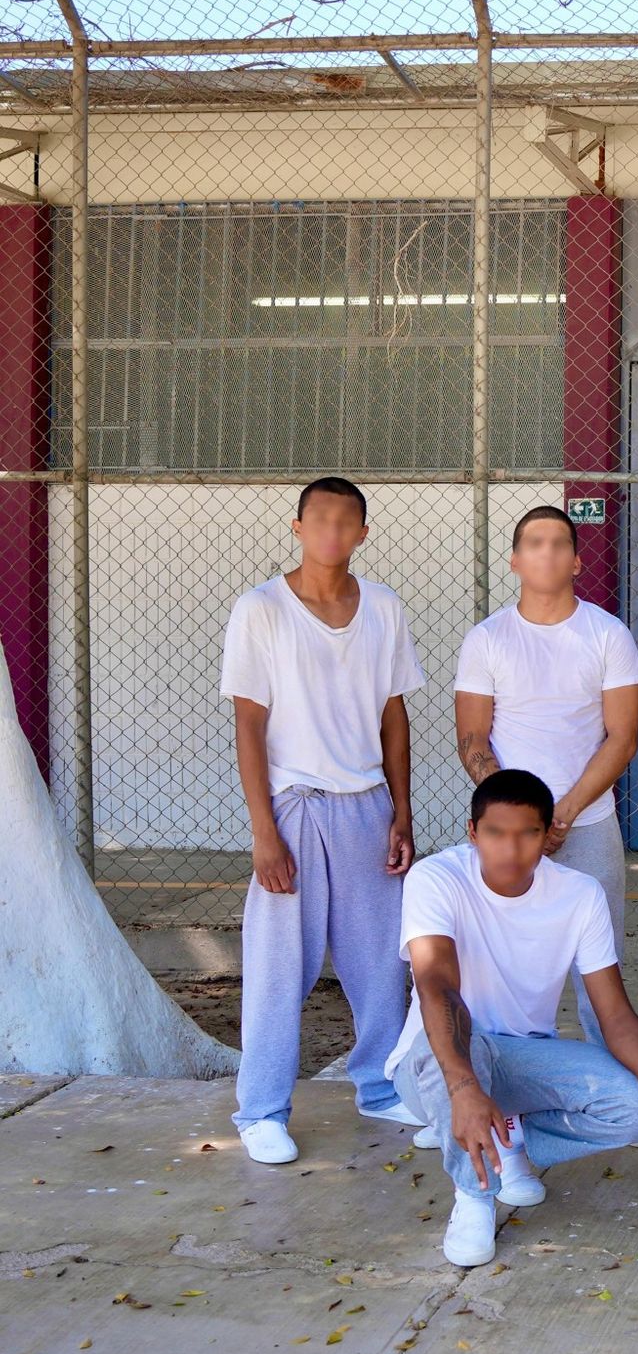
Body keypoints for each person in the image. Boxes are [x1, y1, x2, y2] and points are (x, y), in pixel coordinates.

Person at [391, 769, 638, 1268]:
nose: (511, 849)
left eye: (528, 833)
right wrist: (464, 1090)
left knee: (633, 1109)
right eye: (495, 833)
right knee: (464, 1050)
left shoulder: (579, 894)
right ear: (472, 832)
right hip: (438, 1060)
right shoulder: (436, 878)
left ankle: (514, 1142)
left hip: (522, 1059)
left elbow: (613, 1012)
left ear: (549, 833)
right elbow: (437, 985)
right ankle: (475, 1196)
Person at [220, 476, 425, 1165]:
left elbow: (394, 714)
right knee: (280, 967)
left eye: (347, 520)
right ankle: (263, 1108)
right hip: (294, 806)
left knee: (379, 962)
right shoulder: (261, 609)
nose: (333, 530)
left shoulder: (385, 607)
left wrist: (402, 810)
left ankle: (379, 1083)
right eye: (320, 518)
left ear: (363, 532)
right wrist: (263, 829)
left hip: (368, 802)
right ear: (298, 525)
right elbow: (250, 723)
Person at [455, 505, 638, 1047]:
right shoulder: (487, 639)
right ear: (514, 560)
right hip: (508, 832)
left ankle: (615, 1088)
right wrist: (521, 821)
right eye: (533, 543)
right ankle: (484, 1090)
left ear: (578, 561)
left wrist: (562, 813)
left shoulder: (608, 634)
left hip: (587, 825)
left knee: (599, 972)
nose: (547, 551)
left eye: (559, 542)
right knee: (493, 966)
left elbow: (622, 738)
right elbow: (473, 740)